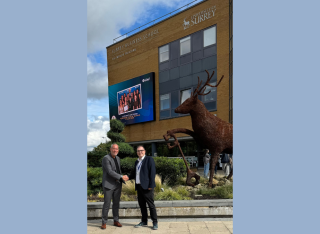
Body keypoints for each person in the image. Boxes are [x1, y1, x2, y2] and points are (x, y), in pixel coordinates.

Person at [123, 145, 158, 230]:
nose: (140, 152)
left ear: (144, 151)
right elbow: (135, 174)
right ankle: (144, 221)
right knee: (142, 205)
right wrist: (127, 177)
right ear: (137, 152)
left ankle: (155, 222)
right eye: (138, 151)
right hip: (139, 186)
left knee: (151, 205)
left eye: (141, 150)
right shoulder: (137, 162)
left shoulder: (149, 159)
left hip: (147, 187)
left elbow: (152, 173)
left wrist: (151, 185)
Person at [101, 144, 128, 229]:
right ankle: (104, 222)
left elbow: (118, 170)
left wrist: (122, 177)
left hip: (117, 184)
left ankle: (116, 220)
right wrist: (121, 176)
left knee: (116, 204)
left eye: (116, 149)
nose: (115, 150)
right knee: (107, 204)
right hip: (108, 184)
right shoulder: (106, 158)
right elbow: (110, 171)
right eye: (113, 149)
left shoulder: (118, 158)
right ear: (110, 149)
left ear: (118, 150)